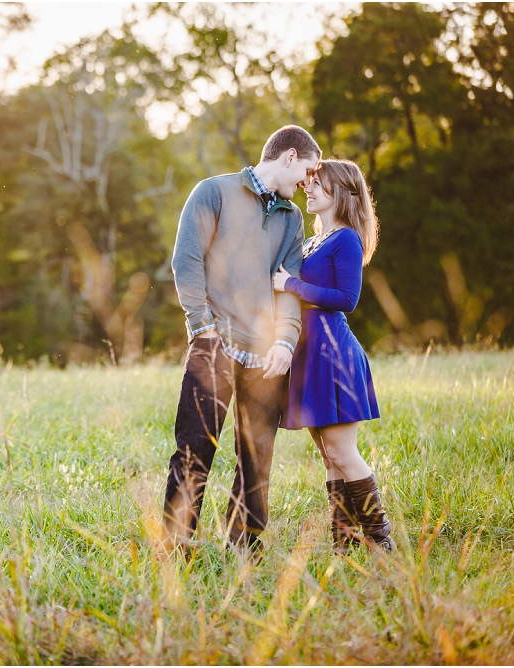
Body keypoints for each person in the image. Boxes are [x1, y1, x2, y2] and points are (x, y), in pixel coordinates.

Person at [164, 125, 321, 559]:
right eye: (308, 172)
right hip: (213, 345)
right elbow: (186, 261)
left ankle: (244, 549)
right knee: (195, 450)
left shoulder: (292, 220)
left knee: (257, 460)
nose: (309, 184)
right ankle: (176, 549)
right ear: (289, 157)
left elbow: (287, 288)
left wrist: (285, 342)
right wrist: (203, 329)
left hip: (265, 356)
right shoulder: (213, 192)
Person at [273, 158, 394, 553]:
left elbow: (347, 299)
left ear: (340, 192)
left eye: (316, 183)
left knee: (342, 451)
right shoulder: (312, 241)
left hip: (334, 356)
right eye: (308, 182)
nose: (307, 188)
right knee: (328, 457)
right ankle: (344, 543)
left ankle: (381, 540)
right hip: (307, 359)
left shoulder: (346, 239)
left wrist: (290, 283)